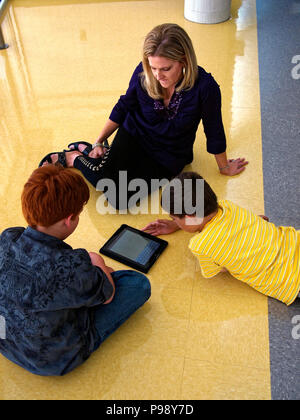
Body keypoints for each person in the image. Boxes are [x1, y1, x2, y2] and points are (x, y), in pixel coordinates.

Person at [39, 23, 248, 210]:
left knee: (119, 199)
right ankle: (75, 156)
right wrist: (99, 140)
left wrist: (224, 166)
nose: (158, 75)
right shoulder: (144, 72)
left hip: (169, 155)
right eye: (153, 67)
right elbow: (124, 105)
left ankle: (84, 154)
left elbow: (214, 129)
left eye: (166, 68)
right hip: (134, 135)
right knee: (105, 179)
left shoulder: (205, 87)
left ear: (184, 60)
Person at [0, 165, 151, 376]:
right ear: (69, 219)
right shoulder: (71, 266)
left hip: (6, 343)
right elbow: (108, 294)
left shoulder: (7, 237)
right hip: (53, 362)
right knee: (137, 283)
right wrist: (95, 259)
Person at [142, 172, 300, 306]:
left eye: (175, 219)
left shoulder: (200, 245)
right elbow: (255, 221)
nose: (174, 222)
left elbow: (220, 269)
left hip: (290, 281)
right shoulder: (227, 206)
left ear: (190, 216)